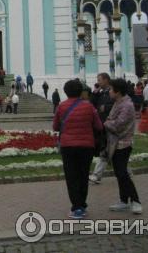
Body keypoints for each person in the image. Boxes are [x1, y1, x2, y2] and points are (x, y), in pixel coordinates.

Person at [53, 79, 102, 219]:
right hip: (86, 146)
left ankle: (76, 207)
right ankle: (82, 204)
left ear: (65, 92)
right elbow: (98, 125)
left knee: (71, 176)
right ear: (81, 91)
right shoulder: (89, 106)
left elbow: (56, 126)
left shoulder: (61, 107)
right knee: (83, 175)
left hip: (68, 146)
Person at [105, 78, 142, 214]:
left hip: (123, 144)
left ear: (118, 91)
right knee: (119, 174)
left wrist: (107, 123)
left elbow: (116, 124)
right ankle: (123, 200)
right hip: (115, 143)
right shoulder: (118, 102)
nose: (109, 91)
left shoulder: (126, 105)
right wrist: (109, 121)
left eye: (111, 89)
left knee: (122, 173)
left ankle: (136, 201)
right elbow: (111, 119)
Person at [89, 73, 114, 184]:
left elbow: (118, 105)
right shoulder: (100, 93)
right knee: (110, 151)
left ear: (106, 80)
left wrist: (106, 107)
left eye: (99, 80)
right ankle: (127, 172)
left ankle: (96, 175)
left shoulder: (113, 91)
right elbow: (92, 104)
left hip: (112, 126)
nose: (98, 82)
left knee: (106, 151)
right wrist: (94, 93)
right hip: (102, 125)